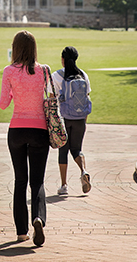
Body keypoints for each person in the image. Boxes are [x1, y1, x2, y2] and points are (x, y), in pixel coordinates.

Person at [0, 30, 50, 246]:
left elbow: (3, 104)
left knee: (21, 180)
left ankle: (21, 232)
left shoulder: (9, 71)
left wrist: (13, 93)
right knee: (37, 181)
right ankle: (38, 217)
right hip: (39, 129)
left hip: (17, 129)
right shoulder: (44, 70)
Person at [51, 46, 92, 197]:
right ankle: (84, 171)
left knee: (63, 150)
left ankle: (64, 185)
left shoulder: (56, 75)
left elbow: (52, 97)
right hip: (80, 118)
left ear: (62, 59)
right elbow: (87, 96)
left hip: (64, 118)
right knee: (77, 149)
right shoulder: (83, 75)